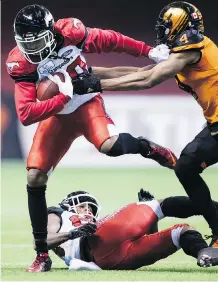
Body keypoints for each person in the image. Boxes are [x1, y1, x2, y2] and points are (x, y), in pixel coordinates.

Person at [5, 4, 178, 272]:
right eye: (27, 42)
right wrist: (62, 97)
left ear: (50, 33)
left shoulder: (70, 31)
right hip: (57, 115)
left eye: (38, 40)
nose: (33, 48)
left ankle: (146, 147)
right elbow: (26, 114)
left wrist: (148, 51)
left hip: (87, 103)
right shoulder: (20, 62)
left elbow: (110, 39)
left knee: (109, 145)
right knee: (34, 176)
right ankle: (42, 254)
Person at [73, 1, 218, 247]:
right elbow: (140, 71)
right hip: (214, 124)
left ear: (178, 26)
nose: (161, 32)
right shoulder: (184, 54)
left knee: (186, 167)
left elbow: (148, 79)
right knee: (186, 167)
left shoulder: (192, 47)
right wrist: (90, 71)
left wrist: (96, 85)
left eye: (165, 26)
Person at [46, 190, 218, 271]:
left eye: (90, 208)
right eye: (83, 206)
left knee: (181, 232)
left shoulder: (97, 224)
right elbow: (42, 241)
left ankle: (205, 253)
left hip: (112, 261)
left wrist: (152, 221)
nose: (87, 211)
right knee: (158, 205)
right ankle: (214, 209)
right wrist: (72, 234)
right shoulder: (57, 214)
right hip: (91, 247)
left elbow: (149, 238)